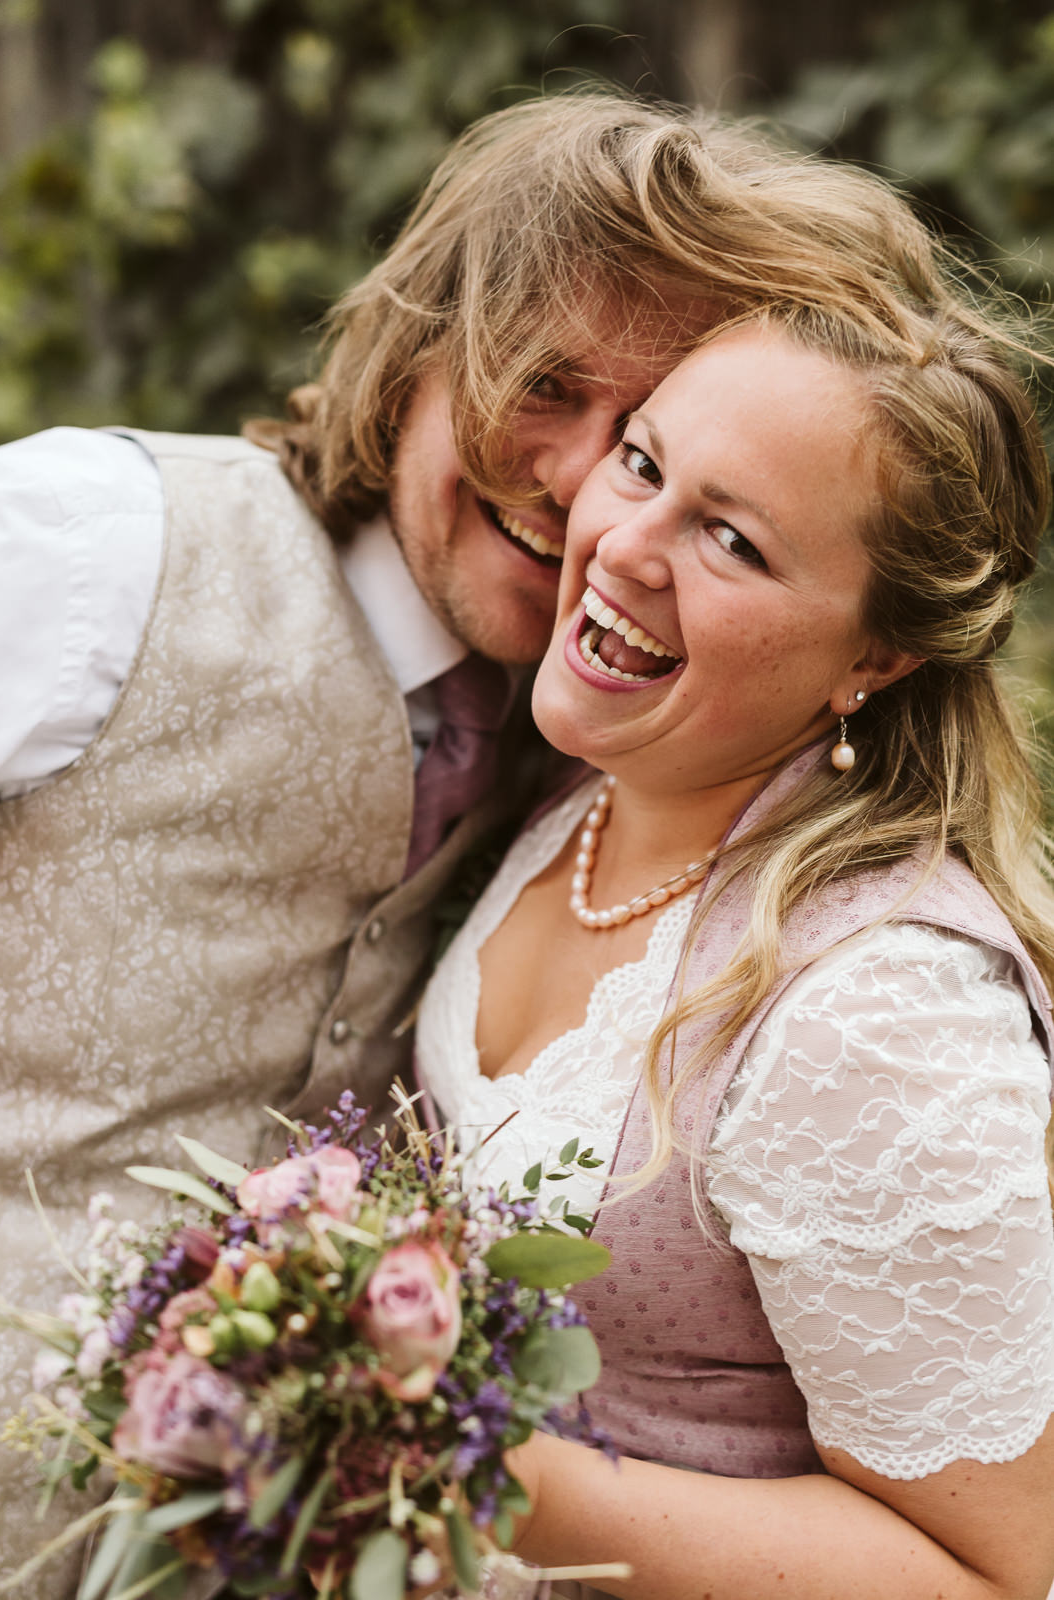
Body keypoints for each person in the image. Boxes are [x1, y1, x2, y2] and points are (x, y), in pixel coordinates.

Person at [0, 93, 981, 1596]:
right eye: (548, 388)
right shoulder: (91, 541)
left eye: (645, 439)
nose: (587, 490)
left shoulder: (619, 751)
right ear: (416, 344)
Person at [416, 299, 1054, 1599]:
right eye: (643, 463)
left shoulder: (877, 1012)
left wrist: (493, 1473)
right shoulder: (590, 787)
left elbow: (1004, 1575)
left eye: (732, 539)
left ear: (874, 652)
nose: (623, 547)